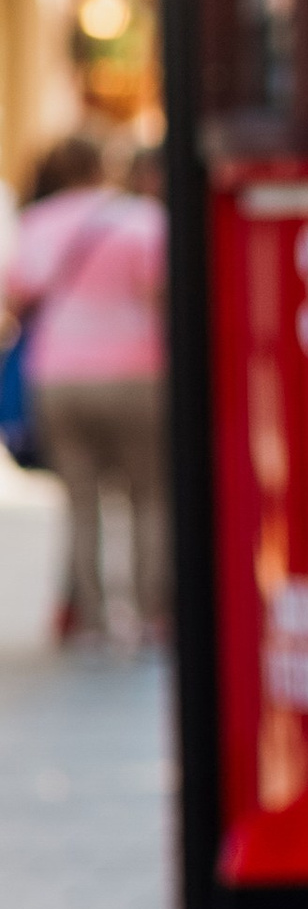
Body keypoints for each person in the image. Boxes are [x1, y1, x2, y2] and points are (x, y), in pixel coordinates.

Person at [1, 133, 168, 643]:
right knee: (149, 496)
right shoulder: (141, 219)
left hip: (59, 377)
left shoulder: (37, 223)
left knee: (79, 499)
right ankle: (150, 613)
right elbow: (162, 292)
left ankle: (88, 619)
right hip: (138, 371)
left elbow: (14, 295)